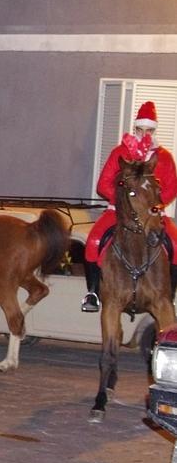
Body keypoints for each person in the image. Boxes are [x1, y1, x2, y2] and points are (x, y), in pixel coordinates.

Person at [81, 101, 177, 311]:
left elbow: (171, 187)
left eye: (149, 130)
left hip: (152, 213)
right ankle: (93, 292)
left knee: (176, 245)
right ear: (135, 129)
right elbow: (103, 184)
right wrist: (123, 202)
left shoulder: (164, 158)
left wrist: (156, 206)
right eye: (140, 129)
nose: (144, 134)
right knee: (93, 241)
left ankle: (170, 294)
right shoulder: (119, 153)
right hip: (119, 211)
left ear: (154, 130)